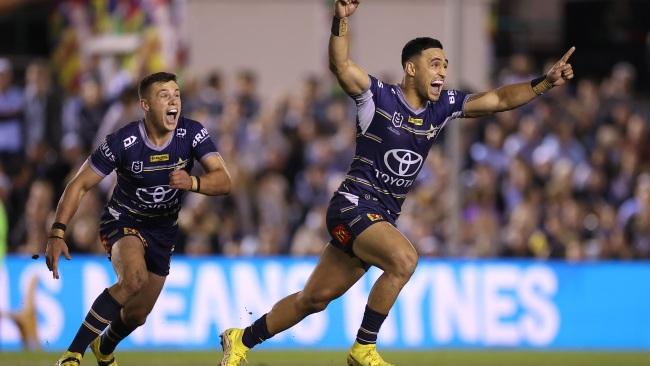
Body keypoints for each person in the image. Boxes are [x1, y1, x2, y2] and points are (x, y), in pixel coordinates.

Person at [219, 1, 575, 365]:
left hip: (379, 218)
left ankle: (241, 338)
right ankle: (363, 349)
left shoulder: (442, 107)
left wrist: (544, 83)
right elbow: (340, 65)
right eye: (435, 64)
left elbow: (498, 98)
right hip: (352, 206)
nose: (442, 72)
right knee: (404, 260)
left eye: (446, 66)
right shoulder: (377, 97)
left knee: (313, 299)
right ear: (411, 68)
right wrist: (340, 21)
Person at [47, 71, 232, 366]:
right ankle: (72, 355)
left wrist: (193, 183)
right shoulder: (123, 141)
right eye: (164, 95)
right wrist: (57, 232)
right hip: (123, 221)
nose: (174, 101)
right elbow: (79, 184)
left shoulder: (192, 133)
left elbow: (224, 181)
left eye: (177, 94)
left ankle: (104, 348)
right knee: (133, 279)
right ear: (145, 105)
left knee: (137, 314)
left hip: (164, 230)